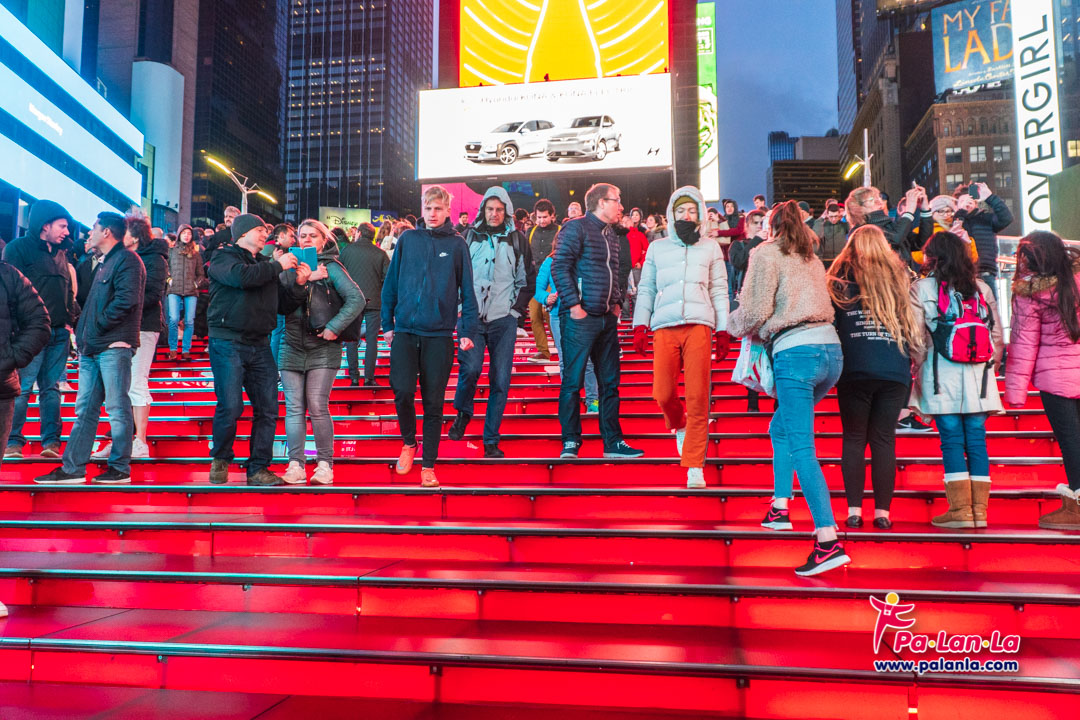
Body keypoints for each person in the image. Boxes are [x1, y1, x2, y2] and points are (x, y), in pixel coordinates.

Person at [728, 201, 850, 577]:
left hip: (796, 352)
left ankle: (827, 540)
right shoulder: (810, 257)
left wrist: (727, 323)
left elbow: (755, 310)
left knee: (802, 446)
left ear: (772, 226)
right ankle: (780, 507)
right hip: (830, 352)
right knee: (780, 428)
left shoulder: (766, 254)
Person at [35, 212, 146, 485]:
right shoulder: (104, 263)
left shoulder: (128, 261)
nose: (89, 233)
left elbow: (126, 302)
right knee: (85, 408)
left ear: (106, 232)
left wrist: (95, 327)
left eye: (94, 228)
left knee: (117, 408)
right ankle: (73, 468)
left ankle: (119, 468)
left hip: (113, 345)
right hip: (93, 346)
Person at [827, 225, 925, 530]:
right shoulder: (900, 278)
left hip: (854, 367)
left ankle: (854, 511)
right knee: (884, 440)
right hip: (893, 368)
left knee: (854, 438)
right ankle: (883, 514)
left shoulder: (838, 280)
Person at [633, 187, 730, 489]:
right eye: (680, 211)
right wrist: (640, 324)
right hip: (665, 325)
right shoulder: (657, 248)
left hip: (700, 324)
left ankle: (693, 466)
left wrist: (723, 328)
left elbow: (719, 289)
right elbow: (647, 287)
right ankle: (678, 423)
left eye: (691, 211)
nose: (686, 216)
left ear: (700, 215)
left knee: (699, 397)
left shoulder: (711, 248)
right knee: (663, 393)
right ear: (671, 214)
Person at [382, 186, 478, 487]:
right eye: (428, 207)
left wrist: (467, 331)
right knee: (402, 392)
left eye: (438, 208)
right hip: (406, 332)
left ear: (447, 210)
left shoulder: (458, 244)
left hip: (439, 335)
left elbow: (468, 292)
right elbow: (390, 285)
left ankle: (428, 464)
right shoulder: (408, 240)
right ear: (422, 209)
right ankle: (409, 442)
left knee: (434, 403)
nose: (432, 213)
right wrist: (387, 324)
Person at [910, 231, 1003, 529]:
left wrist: (920, 370)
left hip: (941, 374)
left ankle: (960, 511)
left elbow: (915, 338)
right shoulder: (981, 288)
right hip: (979, 376)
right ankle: (980, 511)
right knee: (976, 440)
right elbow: (997, 336)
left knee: (950, 439)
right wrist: (991, 365)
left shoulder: (921, 288)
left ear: (933, 257)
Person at [206, 213, 302, 487]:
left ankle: (258, 467)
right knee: (231, 404)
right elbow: (242, 278)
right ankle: (221, 458)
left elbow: (282, 305)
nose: (264, 234)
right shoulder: (225, 257)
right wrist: (277, 267)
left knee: (268, 409)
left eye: (265, 230)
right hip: (228, 342)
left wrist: (298, 285)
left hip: (260, 344)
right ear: (243, 233)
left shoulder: (266, 265)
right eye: (259, 230)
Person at [552, 183, 643, 460]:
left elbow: (616, 271)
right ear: (601, 202)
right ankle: (570, 441)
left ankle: (613, 442)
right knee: (572, 381)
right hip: (580, 318)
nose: (621, 206)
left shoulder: (613, 235)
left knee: (610, 383)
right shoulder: (576, 228)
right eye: (617, 200)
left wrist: (616, 305)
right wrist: (574, 306)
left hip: (606, 319)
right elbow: (559, 266)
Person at [447, 187, 535, 458]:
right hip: (471, 318)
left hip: (503, 319)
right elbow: (454, 275)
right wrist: (460, 308)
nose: (494, 214)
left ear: (506, 211)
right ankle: (463, 411)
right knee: (470, 369)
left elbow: (526, 280)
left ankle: (491, 440)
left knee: (501, 379)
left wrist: (515, 312)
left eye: (499, 209)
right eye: (490, 209)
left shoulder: (518, 239)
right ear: (483, 210)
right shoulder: (467, 237)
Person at [279, 220, 364, 485]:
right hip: (290, 344)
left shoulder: (331, 266)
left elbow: (357, 299)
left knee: (316, 405)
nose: (305, 240)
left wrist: (334, 327)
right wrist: (301, 279)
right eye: (301, 236)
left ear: (323, 240)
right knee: (294, 408)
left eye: (312, 236)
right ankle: (295, 465)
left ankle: (325, 464)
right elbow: (277, 300)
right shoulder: (288, 265)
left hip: (323, 347)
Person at [1005, 231, 1080, 529]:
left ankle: (1076, 507)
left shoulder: (1029, 291)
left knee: (1072, 442)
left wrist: (1015, 394)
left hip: (1055, 379)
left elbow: (1024, 344)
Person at [2, 200, 77, 460]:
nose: (67, 232)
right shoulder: (17, 249)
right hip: (29, 333)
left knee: (52, 388)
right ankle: (12, 442)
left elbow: (67, 292)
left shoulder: (61, 253)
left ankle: (51, 443)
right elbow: (8, 292)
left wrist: (69, 320)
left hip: (58, 333)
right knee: (22, 387)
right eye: (62, 226)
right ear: (45, 225)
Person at [92, 215, 168, 461]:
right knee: (119, 386)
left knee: (136, 381)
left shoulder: (154, 259)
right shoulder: (116, 258)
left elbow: (153, 294)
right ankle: (120, 440)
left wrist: (122, 305)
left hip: (144, 326)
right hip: (120, 327)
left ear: (134, 237)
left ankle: (140, 441)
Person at [534, 234, 600, 415]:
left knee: (586, 359)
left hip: (583, 314)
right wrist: (546, 298)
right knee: (564, 360)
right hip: (557, 315)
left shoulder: (585, 260)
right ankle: (570, 400)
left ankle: (592, 400)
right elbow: (538, 289)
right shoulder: (550, 262)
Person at [729, 208, 769, 413]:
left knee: (773, 350)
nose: (760, 227)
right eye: (755, 223)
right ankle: (752, 402)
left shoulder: (772, 247)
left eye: (763, 223)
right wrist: (756, 241)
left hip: (771, 302)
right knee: (751, 351)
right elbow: (739, 261)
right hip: (750, 302)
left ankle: (777, 400)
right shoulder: (739, 245)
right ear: (746, 227)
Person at [340, 222, 388, 386]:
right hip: (374, 300)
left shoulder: (347, 251)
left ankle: (354, 376)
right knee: (372, 339)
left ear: (359, 233)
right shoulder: (381, 254)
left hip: (352, 301)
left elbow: (340, 275)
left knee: (351, 339)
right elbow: (386, 279)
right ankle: (369, 378)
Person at [845, 185, 932, 269]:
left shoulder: (890, 224)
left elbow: (921, 242)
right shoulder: (860, 231)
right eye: (871, 199)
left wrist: (925, 209)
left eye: (878, 197)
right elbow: (894, 240)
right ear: (858, 208)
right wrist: (909, 212)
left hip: (903, 281)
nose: (879, 201)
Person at [953, 182, 1013, 302]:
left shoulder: (986, 218)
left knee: (990, 308)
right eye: (962, 201)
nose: (967, 203)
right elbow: (955, 233)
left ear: (976, 202)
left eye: (970, 200)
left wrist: (990, 197)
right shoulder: (957, 220)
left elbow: (1006, 218)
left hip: (985, 271)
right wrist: (961, 213)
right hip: (961, 273)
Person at [526, 200, 560, 364]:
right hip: (535, 279)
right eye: (538, 217)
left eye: (545, 217)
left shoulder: (561, 231)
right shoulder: (530, 232)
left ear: (552, 216)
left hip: (554, 278)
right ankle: (543, 351)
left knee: (549, 314)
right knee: (534, 315)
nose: (541, 220)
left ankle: (561, 348)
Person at [166, 225, 206, 360]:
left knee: (189, 320)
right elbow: (165, 268)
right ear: (179, 235)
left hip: (191, 290)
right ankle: (172, 349)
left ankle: (186, 349)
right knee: (174, 319)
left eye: (189, 233)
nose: (186, 235)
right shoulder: (171, 251)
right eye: (184, 233)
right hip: (174, 288)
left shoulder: (195, 254)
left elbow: (201, 274)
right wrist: (169, 279)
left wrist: (196, 284)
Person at [812, 201, 850, 266]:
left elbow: (853, 228)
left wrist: (846, 215)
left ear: (839, 214)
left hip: (841, 260)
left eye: (836, 216)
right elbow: (816, 235)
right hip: (825, 260)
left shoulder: (844, 225)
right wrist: (821, 218)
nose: (833, 219)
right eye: (831, 216)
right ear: (827, 215)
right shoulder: (822, 225)